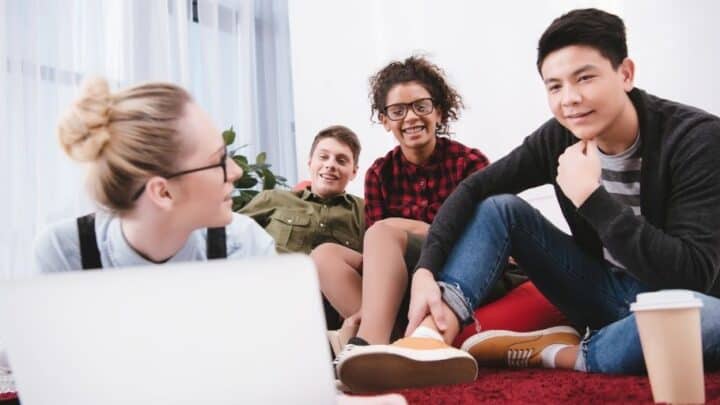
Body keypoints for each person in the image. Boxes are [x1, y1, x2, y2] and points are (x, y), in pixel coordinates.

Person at [340, 7, 720, 391]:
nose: (570, 99)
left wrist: (591, 197)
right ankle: (428, 339)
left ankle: (562, 352)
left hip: (676, 303)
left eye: (585, 78)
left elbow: (692, 274)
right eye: (555, 86)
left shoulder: (696, 139)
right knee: (500, 208)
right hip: (598, 292)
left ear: (625, 74)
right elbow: (474, 190)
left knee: (699, 315)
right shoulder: (557, 137)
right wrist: (425, 269)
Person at [313, 56, 499, 390]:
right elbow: (376, 255)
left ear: (439, 112)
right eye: (397, 111)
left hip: (458, 271)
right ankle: (390, 340)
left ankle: (367, 347)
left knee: (384, 230)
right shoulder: (379, 173)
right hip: (402, 281)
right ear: (385, 120)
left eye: (421, 106)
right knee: (324, 255)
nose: (410, 117)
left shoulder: (469, 163)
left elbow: (481, 240)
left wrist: (405, 227)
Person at [34, 77, 276, 273]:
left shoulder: (247, 246)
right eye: (219, 161)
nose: (236, 171)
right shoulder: (62, 256)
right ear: (163, 192)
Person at [240, 125, 364, 255]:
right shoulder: (272, 198)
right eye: (323, 157)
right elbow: (230, 236)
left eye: (341, 160)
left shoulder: (364, 212)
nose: (330, 165)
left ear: (354, 172)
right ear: (310, 163)